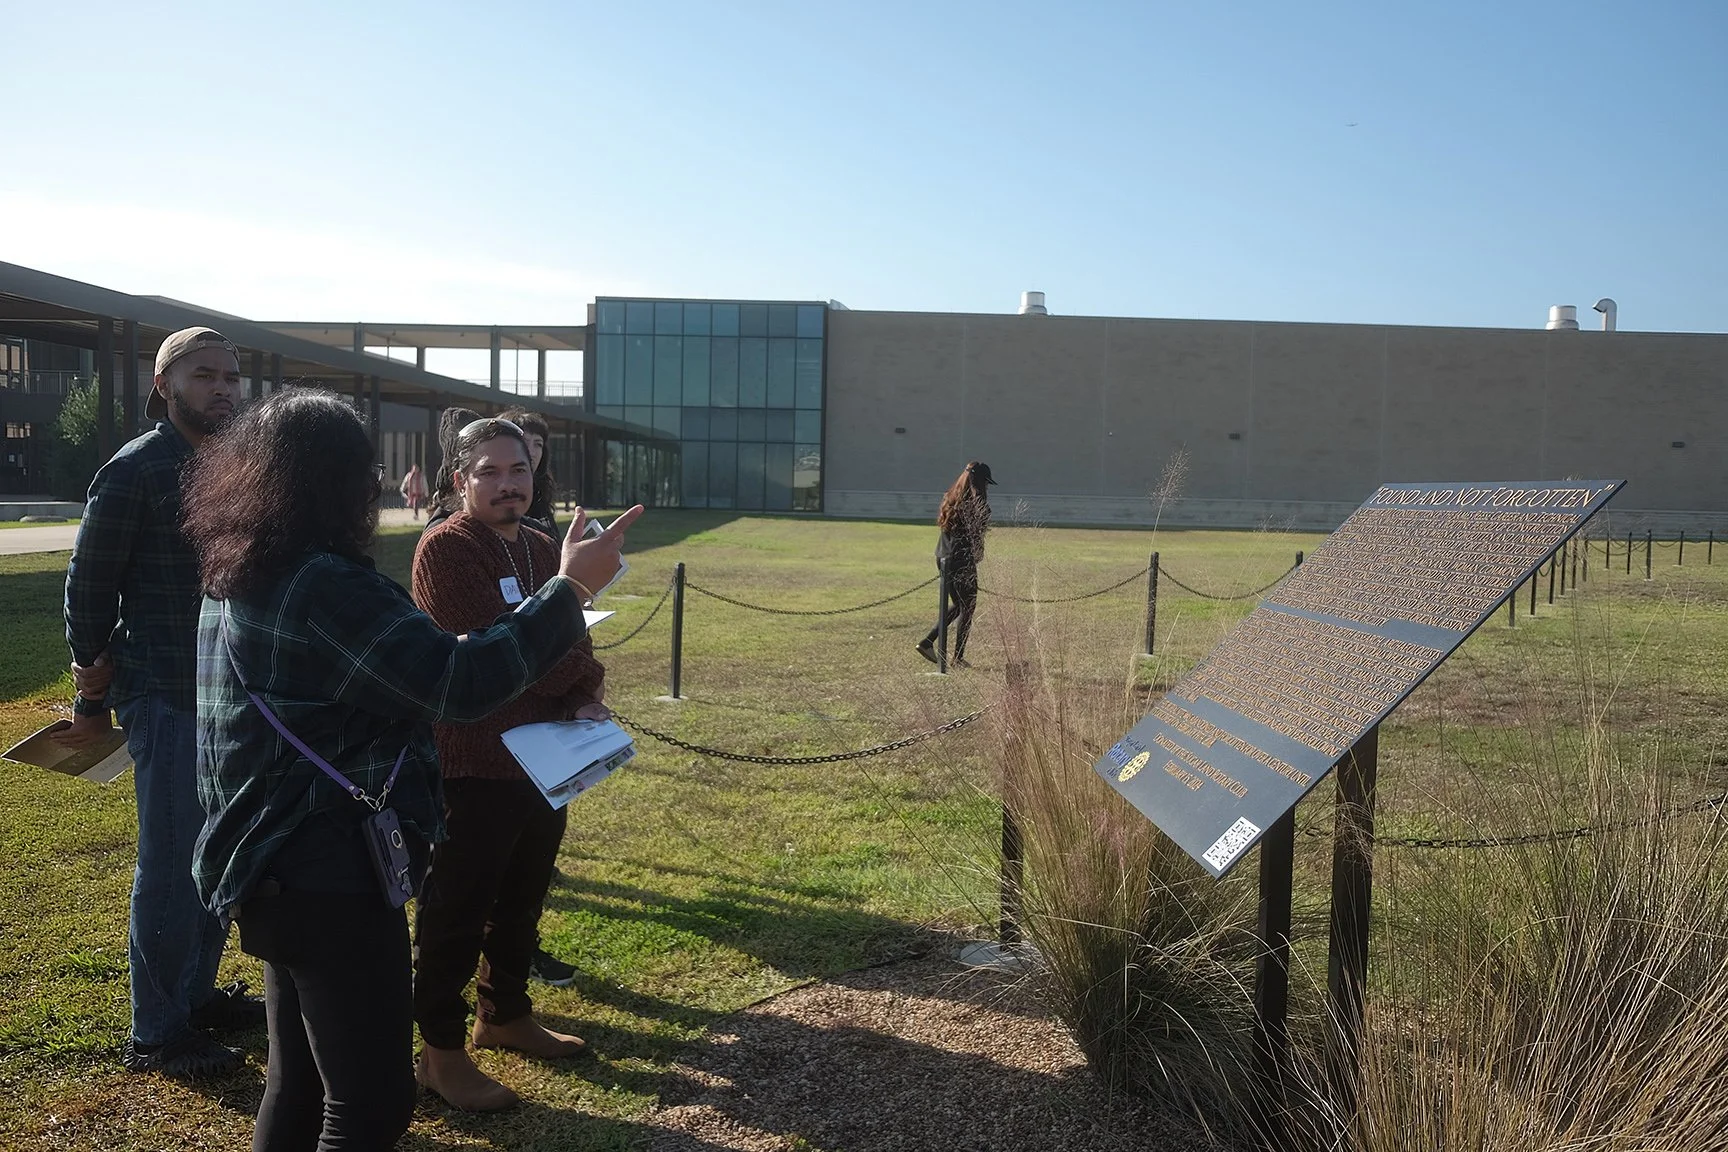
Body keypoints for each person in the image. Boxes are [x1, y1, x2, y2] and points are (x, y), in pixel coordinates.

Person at [184, 389, 641, 1148]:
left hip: (267, 866)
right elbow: (456, 681)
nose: (374, 489)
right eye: (364, 471)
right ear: (334, 482)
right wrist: (573, 587)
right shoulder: (320, 583)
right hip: (325, 872)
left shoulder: (236, 572)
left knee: (297, 1086)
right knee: (369, 1105)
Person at [61, 325, 262, 1079]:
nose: (223, 388)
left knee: (216, 853)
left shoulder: (234, 468)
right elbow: (88, 584)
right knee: (174, 858)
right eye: (206, 375)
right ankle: (158, 1034)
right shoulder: (137, 470)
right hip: (167, 696)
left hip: (229, 696)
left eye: (232, 377)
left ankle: (197, 997)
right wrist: (91, 675)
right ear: (165, 386)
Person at [409, 416, 608, 1111]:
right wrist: (569, 677)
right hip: (472, 759)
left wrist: (584, 695)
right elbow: (492, 653)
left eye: (516, 470)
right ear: (460, 480)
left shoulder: (545, 545)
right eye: (488, 472)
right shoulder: (445, 549)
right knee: (457, 907)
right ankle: (440, 1052)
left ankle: (504, 1015)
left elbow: (569, 641)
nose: (505, 485)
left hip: (544, 758)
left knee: (522, 898)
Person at [916, 461, 996, 669]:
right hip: (962, 559)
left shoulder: (950, 497)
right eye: (985, 483)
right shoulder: (974, 501)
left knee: (960, 605)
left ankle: (927, 642)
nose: (987, 488)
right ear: (979, 482)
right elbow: (983, 519)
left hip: (943, 555)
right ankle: (957, 658)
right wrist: (979, 494)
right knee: (967, 606)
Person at [500, 406, 561, 538]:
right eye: (524, 442)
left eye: (538, 444)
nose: (532, 452)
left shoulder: (540, 494)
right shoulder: (499, 496)